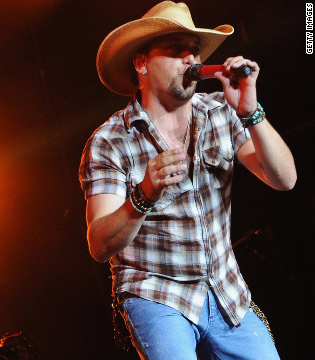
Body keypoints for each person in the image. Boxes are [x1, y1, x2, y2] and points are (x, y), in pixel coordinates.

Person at [78, 2, 296, 359]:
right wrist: (143, 194)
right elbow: (100, 246)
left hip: (225, 289)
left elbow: (284, 179)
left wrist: (251, 113)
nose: (190, 58)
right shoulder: (110, 141)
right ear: (142, 62)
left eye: (194, 50)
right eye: (176, 49)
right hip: (156, 294)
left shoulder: (220, 112)